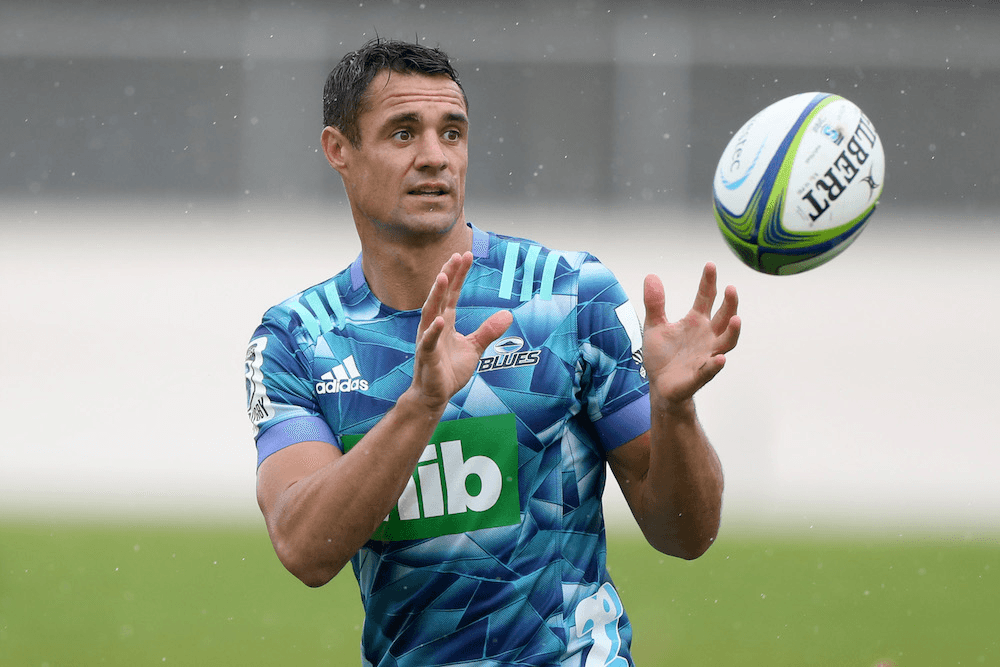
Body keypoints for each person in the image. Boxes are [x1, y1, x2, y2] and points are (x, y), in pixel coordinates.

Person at [245, 38, 740, 667]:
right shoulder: (298, 339)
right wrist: (421, 404)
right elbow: (305, 548)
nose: (434, 157)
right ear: (338, 150)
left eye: (452, 133)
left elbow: (686, 534)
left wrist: (675, 413)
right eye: (403, 134)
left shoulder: (567, 296)